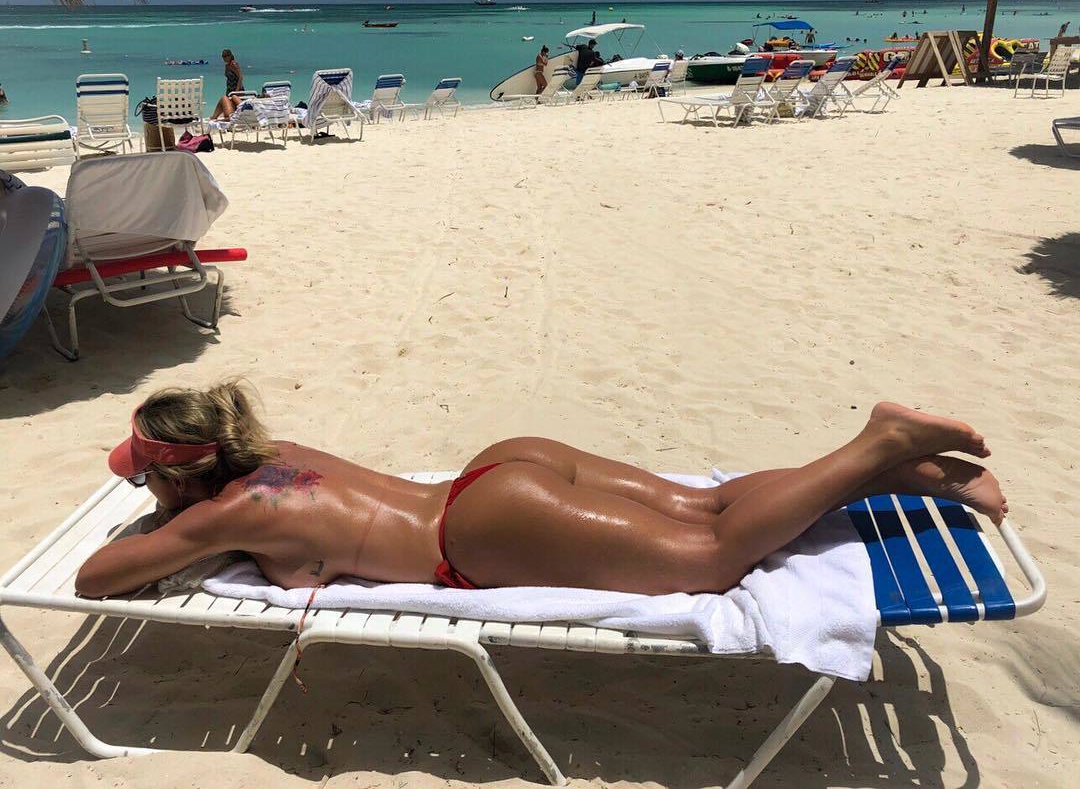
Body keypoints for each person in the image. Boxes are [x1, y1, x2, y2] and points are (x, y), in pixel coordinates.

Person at [75, 381, 1007, 599]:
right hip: (497, 468)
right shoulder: (276, 453)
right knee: (703, 503)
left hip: (477, 535)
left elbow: (96, 577)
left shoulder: (227, 513)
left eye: (148, 472)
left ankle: (878, 441)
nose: (145, 488)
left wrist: (168, 519)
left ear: (181, 471)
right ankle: (892, 468)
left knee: (716, 558)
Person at [210, 49, 245, 120]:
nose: (224, 58)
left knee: (230, 104)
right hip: (229, 89)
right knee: (227, 104)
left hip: (236, 90)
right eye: (223, 56)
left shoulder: (234, 64)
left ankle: (215, 117)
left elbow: (240, 77)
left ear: (230, 56)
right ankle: (215, 116)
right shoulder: (227, 65)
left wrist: (237, 91)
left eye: (226, 56)